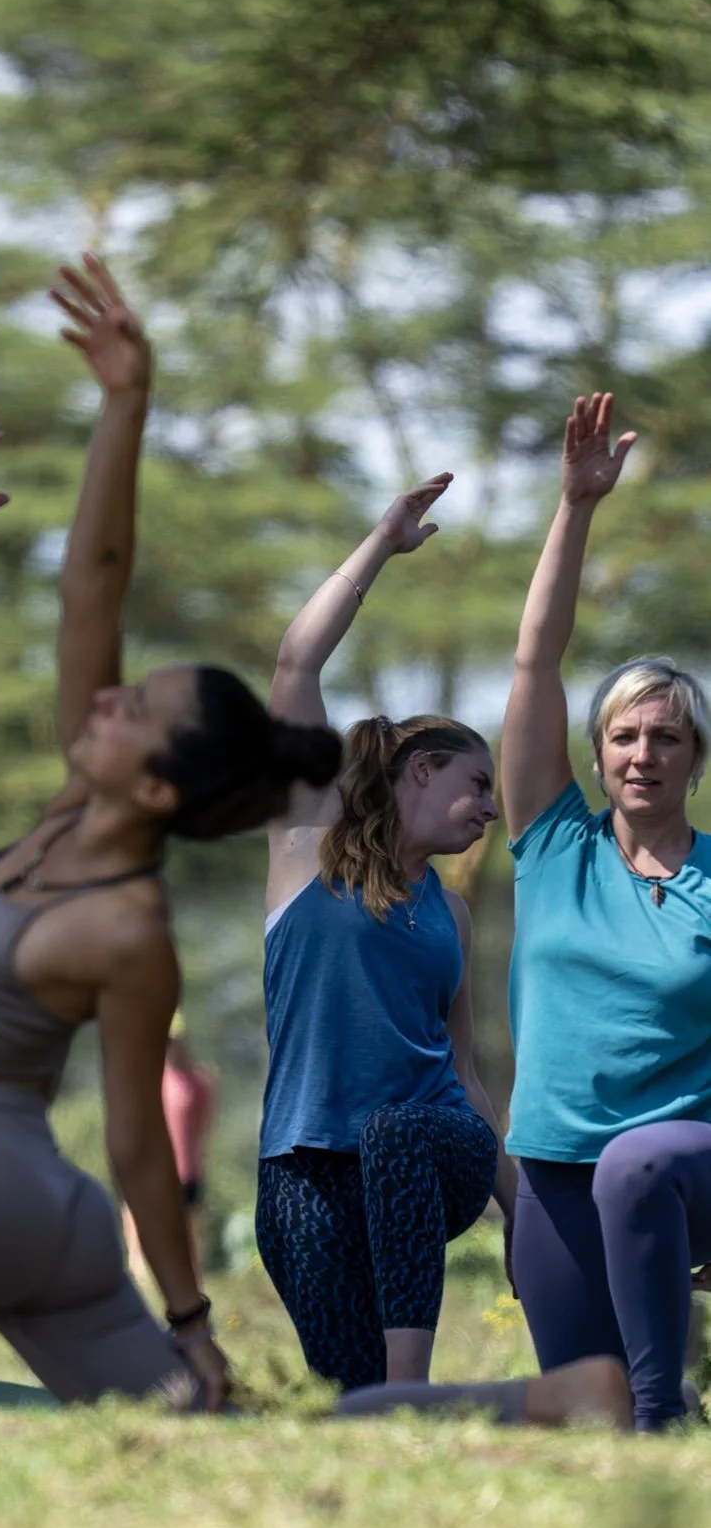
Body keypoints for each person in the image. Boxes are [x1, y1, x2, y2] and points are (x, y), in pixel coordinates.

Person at [0, 261, 627, 1433]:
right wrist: (193, 1323)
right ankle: (539, 1400)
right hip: (45, 1216)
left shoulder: (61, 849)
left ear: (150, 773)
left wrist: (120, 415)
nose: (100, 702)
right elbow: (134, 1150)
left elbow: (91, 596)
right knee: (206, 1418)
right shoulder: (118, 890)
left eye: (129, 705)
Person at [257, 476, 516, 1391]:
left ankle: (420, 1388)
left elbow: (465, 1068)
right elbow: (295, 665)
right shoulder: (304, 847)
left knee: (402, 1130)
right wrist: (381, 543)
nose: (490, 807)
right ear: (419, 771)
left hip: (433, 1149)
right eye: (477, 784)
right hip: (302, 1169)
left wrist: (516, 1208)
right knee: (350, 1393)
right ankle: (390, 1402)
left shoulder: (452, 910)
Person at [501, 391, 711, 1430]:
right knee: (595, 1418)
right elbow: (535, 661)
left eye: (667, 737)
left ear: (695, 760)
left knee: (641, 1164)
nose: (643, 754)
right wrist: (575, 508)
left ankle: (671, 1404)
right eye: (625, 736)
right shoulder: (551, 846)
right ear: (595, 755)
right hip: (556, 1174)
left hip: (684, 1160)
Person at [124, 1015, 216, 1283]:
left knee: (188, 1227)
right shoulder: (149, 1079)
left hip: (187, 1168)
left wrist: (201, 1157)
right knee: (139, 1217)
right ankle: (140, 1274)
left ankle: (192, 1280)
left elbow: (204, 1125)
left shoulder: (198, 1081)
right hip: (153, 1165)